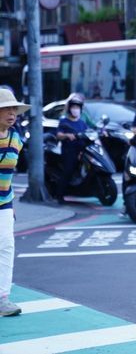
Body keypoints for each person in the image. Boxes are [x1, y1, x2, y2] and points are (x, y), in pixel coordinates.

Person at [0, 89, 29, 317]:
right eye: (6, 109)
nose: (12, 113)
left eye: (14, 109)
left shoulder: (16, 139)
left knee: (7, 247)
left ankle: (2, 298)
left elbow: (8, 176)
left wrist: (11, 206)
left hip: (5, 203)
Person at [55, 93, 88, 204]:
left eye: (77, 107)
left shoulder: (82, 123)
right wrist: (67, 136)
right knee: (68, 171)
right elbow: (58, 135)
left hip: (82, 151)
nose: (75, 110)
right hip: (69, 151)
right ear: (69, 109)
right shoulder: (64, 122)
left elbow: (88, 133)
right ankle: (60, 195)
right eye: (73, 107)